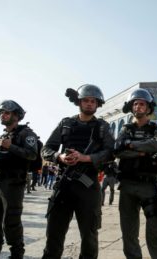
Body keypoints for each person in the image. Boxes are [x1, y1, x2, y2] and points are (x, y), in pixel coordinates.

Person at [41, 84, 114, 259]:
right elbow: (46, 149)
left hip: (88, 186)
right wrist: (60, 157)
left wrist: (85, 158)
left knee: (89, 237)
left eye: (93, 101)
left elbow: (110, 153)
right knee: (54, 236)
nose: (89, 104)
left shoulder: (103, 127)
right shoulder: (66, 123)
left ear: (98, 104)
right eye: (86, 100)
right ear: (79, 102)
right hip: (64, 185)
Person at [114, 88, 157, 259]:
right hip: (127, 186)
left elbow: (155, 146)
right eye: (135, 104)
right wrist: (142, 151)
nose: (138, 107)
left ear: (148, 108)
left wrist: (130, 145)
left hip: (149, 186)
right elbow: (117, 151)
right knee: (129, 234)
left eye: (142, 104)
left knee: (156, 233)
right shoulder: (125, 128)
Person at [0, 100, 38, 259]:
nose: (2, 115)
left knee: (11, 223)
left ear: (16, 115)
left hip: (14, 183)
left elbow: (32, 154)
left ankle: (16, 254)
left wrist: (9, 146)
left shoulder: (26, 134)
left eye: (6, 112)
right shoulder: (4, 135)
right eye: (1, 112)